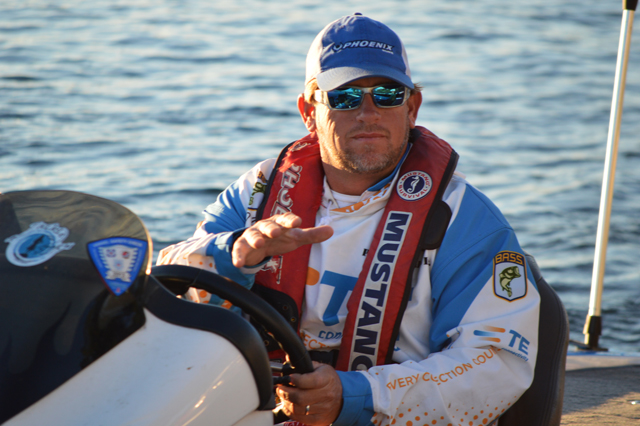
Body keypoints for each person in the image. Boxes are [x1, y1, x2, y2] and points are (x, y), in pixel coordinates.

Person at [157, 13, 540, 426]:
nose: (368, 113)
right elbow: (167, 285)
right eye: (345, 96)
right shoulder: (258, 190)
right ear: (309, 111)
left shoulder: (464, 217)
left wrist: (355, 396)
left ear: (412, 108)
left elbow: (498, 365)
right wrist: (233, 253)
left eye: (388, 94)